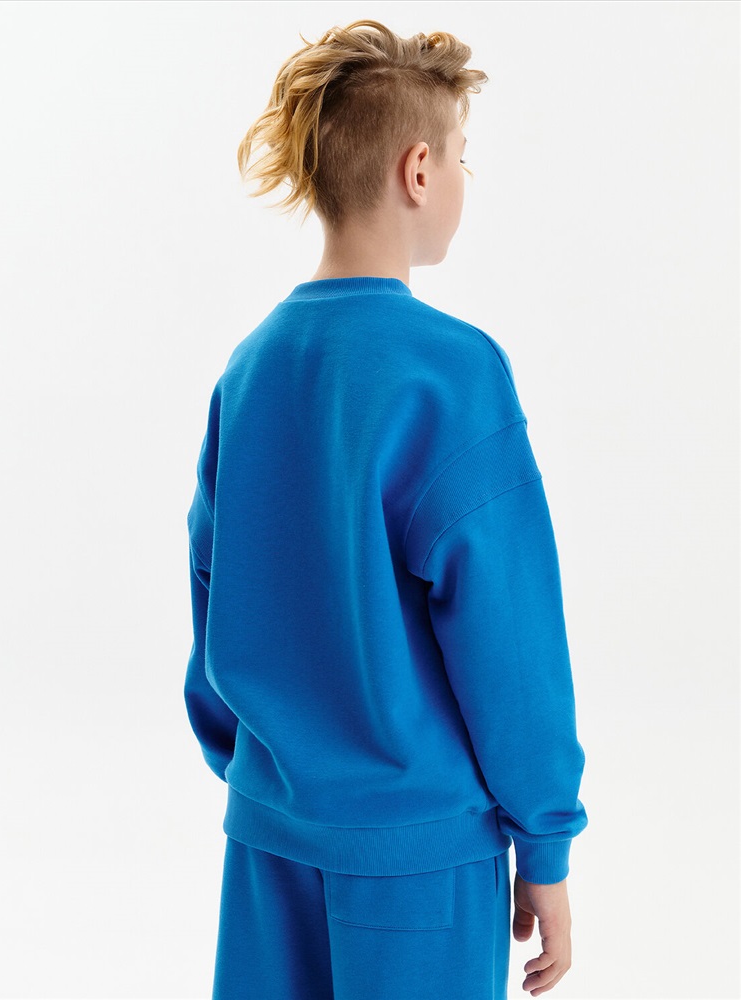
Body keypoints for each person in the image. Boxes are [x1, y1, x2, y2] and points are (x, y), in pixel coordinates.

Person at [184, 18, 588, 1000]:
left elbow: (213, 587)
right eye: (461, 156)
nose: (462, 178)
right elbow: (509, 635)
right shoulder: (454, 372)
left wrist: (267, 774)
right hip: (419, 857)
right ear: (418, 168)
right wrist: (544, 844)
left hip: (269, 838)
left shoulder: (251, 368)